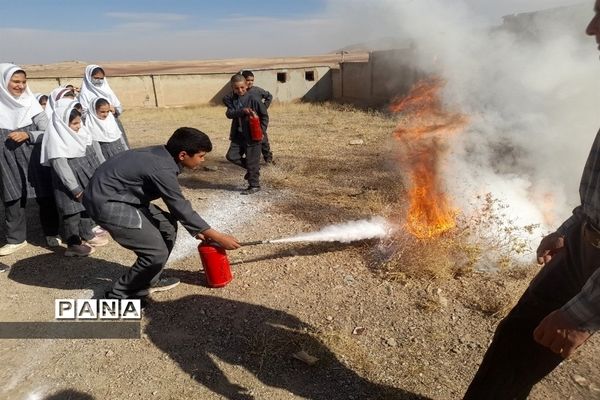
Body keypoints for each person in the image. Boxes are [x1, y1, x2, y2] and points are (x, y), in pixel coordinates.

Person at [464, 4, 600, 398]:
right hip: (580, 247)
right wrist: (571, 229)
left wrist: (582, 315)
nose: (591, 28)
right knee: (516, 338)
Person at [83, 127, 240, 299]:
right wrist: (216, 235)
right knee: (155, 252)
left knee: (167, 227)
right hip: (107, 203)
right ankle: (119, 295)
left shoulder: (163, 154)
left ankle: (148, 280)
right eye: (201, 156)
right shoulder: (162, 168)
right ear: (182, 155)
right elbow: (178, 205)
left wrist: (199, 230)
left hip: (124, 197)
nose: (203, 160)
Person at [0, 64, 60, 255]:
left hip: (33, 157)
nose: (20, 86)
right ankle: (16, 239)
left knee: (44, 195)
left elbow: (50, 131)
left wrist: (29, 135)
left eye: (24, 82)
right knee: (12, 196)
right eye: (15, 81)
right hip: (6, 159)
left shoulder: (31, 105)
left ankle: (52, 232)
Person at [40, 101, 107, 257]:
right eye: (74, 123)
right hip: (68, 185)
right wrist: (75, 189)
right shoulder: (56, 141)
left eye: (79, 122)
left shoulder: (79, 134)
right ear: (62, 124)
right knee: (72, 213)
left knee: (84, 208)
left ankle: (87, 234)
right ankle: (73, 245)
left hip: (83, 178)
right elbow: (62, 169)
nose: (78, 126)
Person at [224, 74, 268, 195]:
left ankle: (254, 185)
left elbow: (264, 116)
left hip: (254, 135)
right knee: (231, 156)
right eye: (237, 88)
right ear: (232, 88)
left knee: (252, 161)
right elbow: (229, 114)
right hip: (238, 135)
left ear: (246, 86)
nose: (240, 90)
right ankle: (253, 169)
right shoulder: (233, 99)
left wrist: (262, 131)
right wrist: (242, 111)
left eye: (242, 87)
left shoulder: (254, 99)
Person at [242, 70, 274, 164]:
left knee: (263, 139)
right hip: (246, 121)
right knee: (247, 141)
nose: (250, 82)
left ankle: (268, 160)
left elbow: (269, 96)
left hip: (258, 120)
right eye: (248, 80)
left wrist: (264, 107)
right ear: (243, 80)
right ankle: (250, 160)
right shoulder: (240, 92)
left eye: (252, 80)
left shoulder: (257, 90)